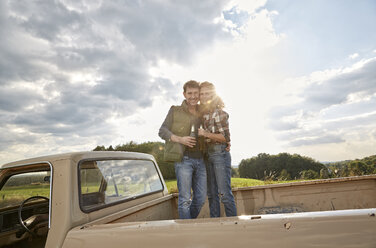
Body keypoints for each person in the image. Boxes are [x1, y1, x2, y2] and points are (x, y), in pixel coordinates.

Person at [158, 80, 206, 219]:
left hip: (201, 160)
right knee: (184, 199)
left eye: (195, 93)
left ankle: (187, 224)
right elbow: (162, 131)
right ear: (184, 94)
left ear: (199, 95)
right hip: (183, 160)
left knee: (201, 198)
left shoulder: (203, 112)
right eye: (189, 93)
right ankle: (188, 232)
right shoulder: (175, 110)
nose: (193, 96)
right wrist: (180, 139)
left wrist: (226, 142)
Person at [198, 81, 237, 217]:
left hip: (219, 153)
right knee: (211, 194)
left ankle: (234, 224)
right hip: (206, 154)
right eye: (201, 94)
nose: (204, 96)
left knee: (224, 193)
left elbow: (224, 138)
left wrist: (205, 134)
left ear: (214, 95)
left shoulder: (220, 113)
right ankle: (216, 224)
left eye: (207, 93)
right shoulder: (201, 114)